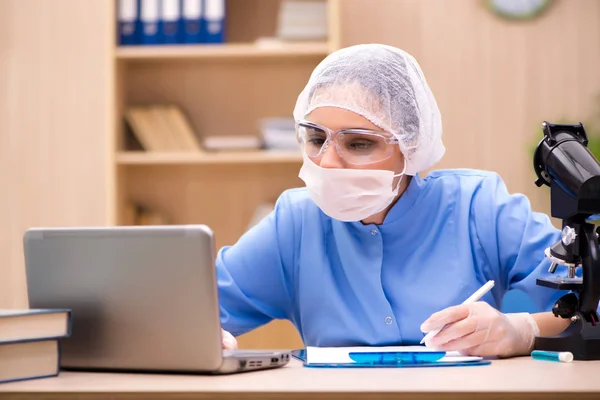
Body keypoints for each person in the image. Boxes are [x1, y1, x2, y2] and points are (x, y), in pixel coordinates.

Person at [216, 43, 577, 358]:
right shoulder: (294, 224)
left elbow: (588, 306)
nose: (326, 161)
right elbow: (188, 311)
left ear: (412, 146)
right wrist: (199, 335)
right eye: (315, 138)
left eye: (358, 143)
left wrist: (521, 332)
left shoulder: (479, 208)